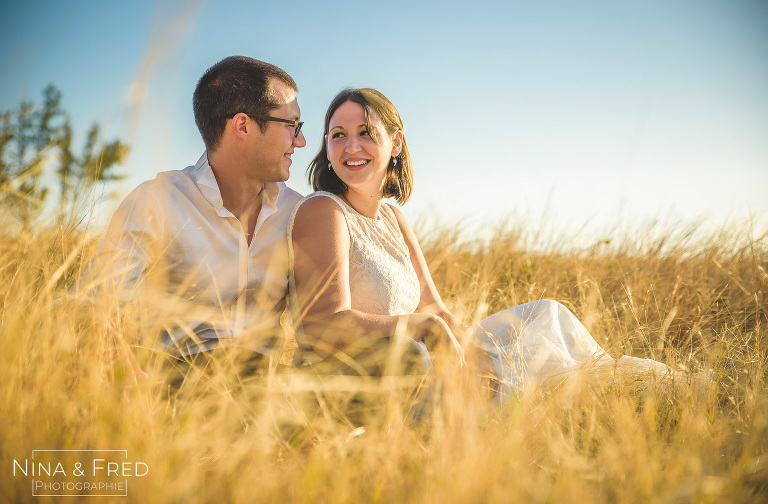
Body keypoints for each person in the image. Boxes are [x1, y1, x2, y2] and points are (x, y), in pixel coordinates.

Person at [287, 88, 686, 405]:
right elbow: (323, 325)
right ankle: (588, 396)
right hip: (370, 371)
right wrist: (423, 330)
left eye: (365, 133)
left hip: (416, 354)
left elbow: (434, 306)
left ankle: (629, 389)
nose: (350, 146)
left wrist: (475, 354)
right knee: (536, 381)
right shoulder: (324, 211)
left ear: (395, 144)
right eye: (338, 135)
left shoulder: (392, 218)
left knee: (545, 316)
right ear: (327, 145)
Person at [78, 56, 306, 380]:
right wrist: (129, 377)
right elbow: (93, 303)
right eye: (292, 125)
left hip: (270, 389)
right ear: (243, 126)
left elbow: (320, 323)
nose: (301, 140)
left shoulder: (298, 212)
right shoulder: (158, 201)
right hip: (177, 382)